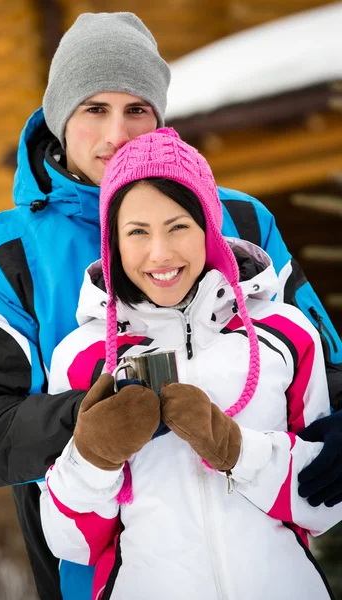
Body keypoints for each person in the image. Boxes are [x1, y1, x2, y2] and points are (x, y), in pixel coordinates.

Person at [0, 10, 342, 600]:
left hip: (263, 555)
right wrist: (107, 421)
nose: (116, 134)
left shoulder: (239, 222)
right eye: (94, 110)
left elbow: (318, 357)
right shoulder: (2, 256)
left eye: (136, 109)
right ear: (60, 118)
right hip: (98, 572)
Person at [41, 128, 341, 600]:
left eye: (178, 226)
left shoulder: (285, 333)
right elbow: (70, 542)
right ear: (112, 242)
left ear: (209, 226)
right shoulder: (82, 357)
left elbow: (323, 508)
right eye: (137, 232)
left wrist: (235, 449)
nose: (160, 253)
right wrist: (94, 457)